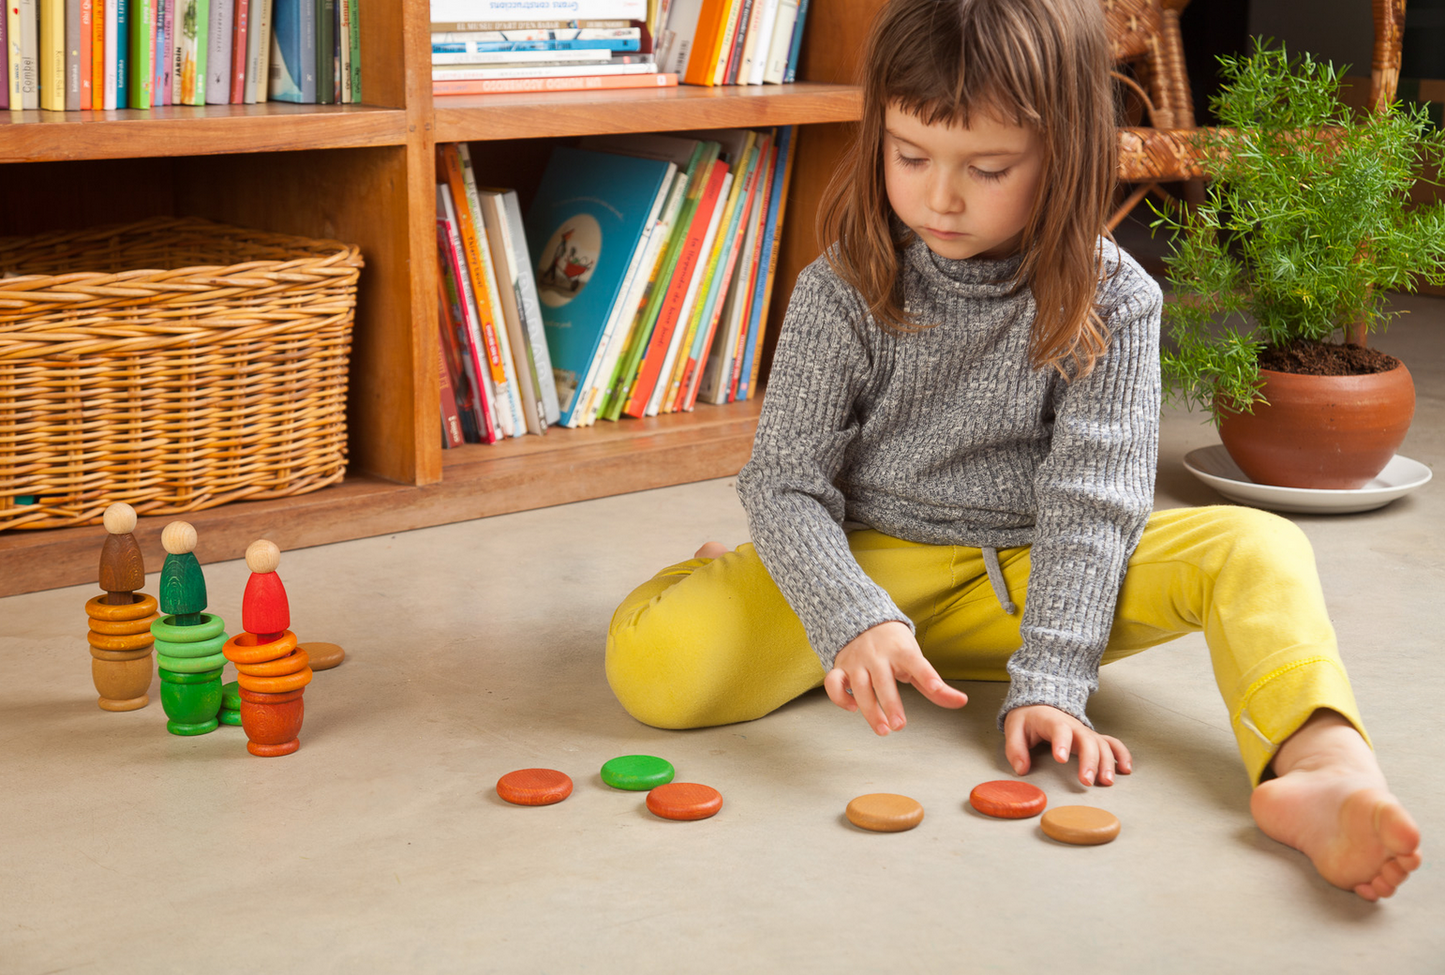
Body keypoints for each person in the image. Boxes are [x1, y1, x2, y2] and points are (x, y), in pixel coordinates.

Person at [605, 0, 1421, 901]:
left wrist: (1054, 678)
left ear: (1064, 152)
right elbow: (784, 479)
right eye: (909, 156)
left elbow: (1092, 503)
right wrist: (846, 609)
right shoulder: (838, 289)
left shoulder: (1116, 300)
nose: (940, 197)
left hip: (1035, 576)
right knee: (656, 666)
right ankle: (746, 575)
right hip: (876, 565)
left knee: (1259, 546)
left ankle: (1324, 767)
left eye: (987, 168)